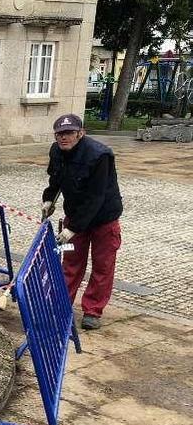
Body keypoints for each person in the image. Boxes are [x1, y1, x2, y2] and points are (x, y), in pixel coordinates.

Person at [41, 113, 123, 330]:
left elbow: (96, 197)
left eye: (68, 133)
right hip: (75, 214)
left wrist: (71, 229)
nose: (63, 138)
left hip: (103, 218)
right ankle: (62, 306)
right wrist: (48, 199)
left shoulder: (99, 156)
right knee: (70, 263)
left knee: (102, 266)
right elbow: (55, 179)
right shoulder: (56, 151)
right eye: (59, 134)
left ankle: (92, 311)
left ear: (80, 133)